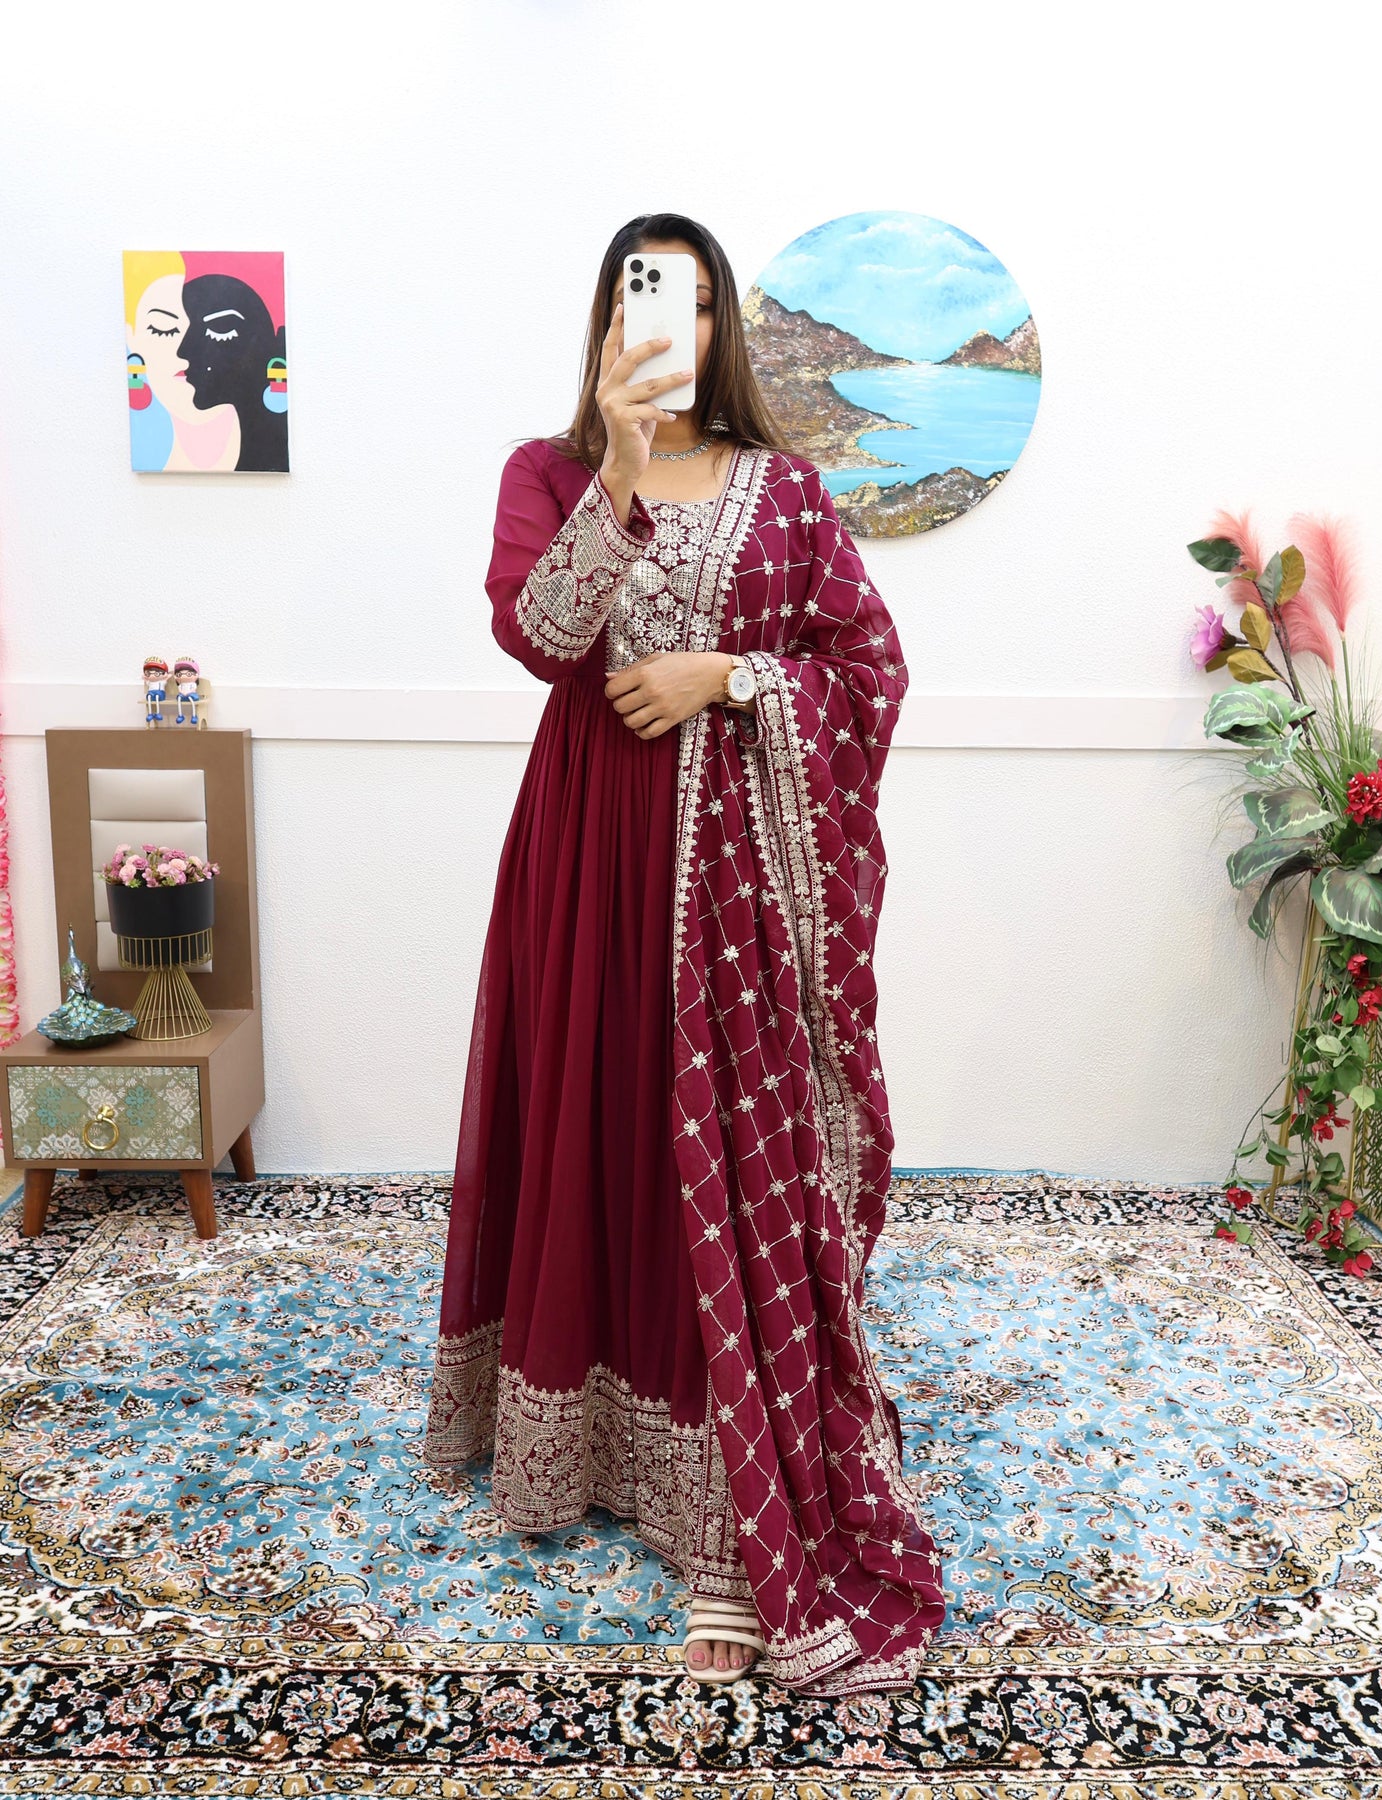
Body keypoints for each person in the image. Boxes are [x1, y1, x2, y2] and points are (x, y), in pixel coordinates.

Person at [423, 212, 945, 1696]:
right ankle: (577, 1436)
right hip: (587, 857)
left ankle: (726, 1510)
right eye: (649, 298)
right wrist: (620, 459)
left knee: (716, 1150)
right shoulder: (547, 472)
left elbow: (869, 667)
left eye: (700, 304)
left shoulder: (789, 491)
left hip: (735, 886)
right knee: (595, 1117)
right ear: (608, 318)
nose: (676, 326)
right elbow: (540, 635)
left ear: (725, 330)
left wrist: (728, 676)